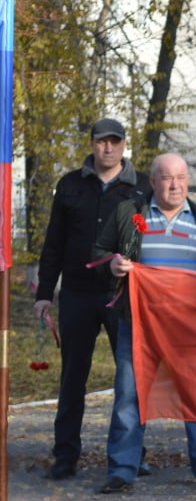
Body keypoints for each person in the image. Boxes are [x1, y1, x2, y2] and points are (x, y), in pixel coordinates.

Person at [92, 153, 196, 493]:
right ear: (151, 182)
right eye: (166, 178)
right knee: (128, 395)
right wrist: (113, 265)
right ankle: (123, 469)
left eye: (181, 178)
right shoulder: (129, 214)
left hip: (190, 329)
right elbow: (99, 252)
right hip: (139, 325)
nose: (175, 184)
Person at [34, 118, 152, 480]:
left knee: (131, 379)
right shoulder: (70, 184)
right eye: (102, 142)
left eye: (115, 142)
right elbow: (53, 243)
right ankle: (65, 455)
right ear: (92, 143)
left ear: (124, 144)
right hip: (77, 294)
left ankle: (134, 455)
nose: (108, 148)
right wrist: (44, 294)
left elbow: (150, 242)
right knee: (72, 378)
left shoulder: (142, 186)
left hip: (123, 295)